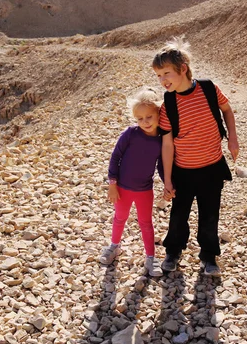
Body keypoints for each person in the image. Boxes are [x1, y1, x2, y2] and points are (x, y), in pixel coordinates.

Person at [152, 37, 239, 276]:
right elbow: (167, 144)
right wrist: (167, 180)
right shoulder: (168, 104)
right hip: (183, 171)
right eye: (158, 76)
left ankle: (209, 257)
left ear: (183, 69)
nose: (162, 80)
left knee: (210, 214)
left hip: (212, 167)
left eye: (166, 73)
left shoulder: (208, 88)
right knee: (179, 215)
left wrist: (233, 137)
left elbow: (227, 110)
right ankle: (173, 251)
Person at [100, 89, 163, 277]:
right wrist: (112, 184)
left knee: (146, 222)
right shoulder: (130, 134)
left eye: (149, 116)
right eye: (140, 118)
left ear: (159, 113)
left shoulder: (161, 139)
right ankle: (114, 247)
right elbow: (115, 157)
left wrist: (169, 183)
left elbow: (161, 165)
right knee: (120, 218)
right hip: (122, 189)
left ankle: (151, 258)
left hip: (145, 190)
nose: (145, 122)